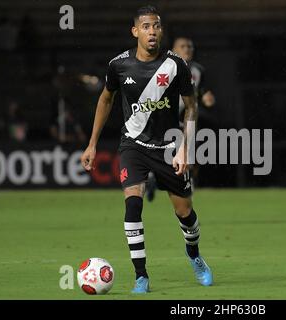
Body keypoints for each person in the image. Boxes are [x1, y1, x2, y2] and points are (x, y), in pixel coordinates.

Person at [80, 5, 213, 294]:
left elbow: (191, 106)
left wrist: (185, 150)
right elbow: (105, 100)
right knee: (133, 205)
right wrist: (91, 143)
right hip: (133, 145)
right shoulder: (119, 65)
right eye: (146, 26)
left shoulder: (176, 64)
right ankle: (141, 276)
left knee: (185, 213)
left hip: (169, 147)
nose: (152, 31)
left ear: (161, 31)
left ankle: (195, 257)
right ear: (135, 31)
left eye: (156, 26)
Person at [145, 36, 216, 201]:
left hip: (187, 119)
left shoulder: (198, 70)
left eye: (190, 47)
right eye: (183, 46)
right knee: (160, 154)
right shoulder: (164, 66)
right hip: (164, 118)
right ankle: (153, 177)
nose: (188, 49)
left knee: (194, 155)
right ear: (174, 50)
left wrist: (207, 97)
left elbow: (202, 90)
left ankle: (187, 183)